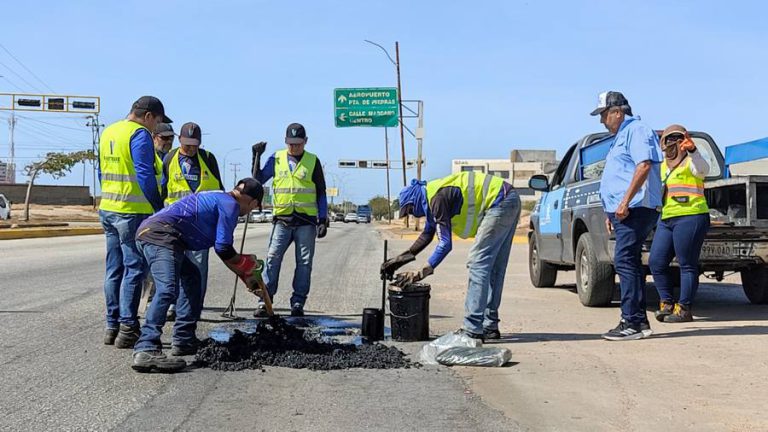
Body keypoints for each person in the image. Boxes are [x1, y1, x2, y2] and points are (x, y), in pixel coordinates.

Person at [132, 178, 264, 373]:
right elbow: (224, 248)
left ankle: (184, 339)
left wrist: (244, 272)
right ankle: (146, 347)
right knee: (168, 289)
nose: (250, 212)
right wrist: (245, 267)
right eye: (254, 208)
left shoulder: (219, 197)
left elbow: (225, 252)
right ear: (252, 202)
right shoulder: (230, 205)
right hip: (161, 236)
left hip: (158, 233)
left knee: (192, 278)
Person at [381, 172, 521, 342]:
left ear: (416, 199)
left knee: (478, 263)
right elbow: (427, 235)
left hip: (499, 201)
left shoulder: (437, 200)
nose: (413, 215)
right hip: (509, 198)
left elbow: (445, 244)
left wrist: (420, 273)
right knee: (494, 267)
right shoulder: (432, 198)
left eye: (410, 209)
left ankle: (472, 328)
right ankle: (489, 325)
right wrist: (398, 261)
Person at [99, 96, 170, 348]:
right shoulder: (139, 134)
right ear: (148, 115)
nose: (157, 128)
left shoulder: (109, 131)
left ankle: (111, 325)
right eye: (158, 121)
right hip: (131, 211)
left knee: (113, 269)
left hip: (108, 208)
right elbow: (144, 173)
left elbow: (101, 171)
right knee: (134, 269)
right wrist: (158, 208)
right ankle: (128, 327)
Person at [592, 91, 663, 341]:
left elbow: (643, 165)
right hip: (625, 210)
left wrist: (623, 202)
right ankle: (639, 321)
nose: (602, 121)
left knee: (624, 260)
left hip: (636, 208)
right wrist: (610, 210)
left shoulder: (637, 130)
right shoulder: (622, 135)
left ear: (617, 112)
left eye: (603, 115)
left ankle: (630, 321)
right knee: (629, 261)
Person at [251, 123, 328, 317]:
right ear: (285, 141)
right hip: (282, 220)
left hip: (306, 222)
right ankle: (265, 300)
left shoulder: (313, 161)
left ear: (305, 142)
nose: (294, 147)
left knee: (304, 263)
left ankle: (298, 303)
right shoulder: (276, 159)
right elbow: (258, 179)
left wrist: (323, 219)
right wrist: (256, 156)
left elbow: (321, 192)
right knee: (272, 258)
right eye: (290, 143)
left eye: (298, 143)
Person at [161, 122, 224, 319]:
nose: (190, 148)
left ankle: (194, 307)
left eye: (194, 145)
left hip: (200, 225)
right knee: (175, 265)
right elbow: (163, 189)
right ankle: (174, 304)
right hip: (175, 223)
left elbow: (219, 190)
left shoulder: (208, 159)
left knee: (198, 268)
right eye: (187, 144)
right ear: (179, 140)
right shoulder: (169, 158)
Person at [649, 125, 710, 323]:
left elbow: (703, 170)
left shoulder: (692, 160)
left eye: (678, 138)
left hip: (691, 216)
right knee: (656, 262)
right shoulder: (662, 165)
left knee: (687, 264)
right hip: (667, 218)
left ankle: (684, 309)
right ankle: (666, 303)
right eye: (668, 139)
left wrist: (692, 150)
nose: (673, 143)